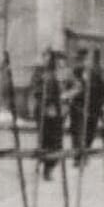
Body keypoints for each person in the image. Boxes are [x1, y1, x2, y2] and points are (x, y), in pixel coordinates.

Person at [30, 48, 72, 180]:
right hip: (44, 112)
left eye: (62, 62)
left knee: (56, 143)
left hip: (59, 113)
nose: (60, 64)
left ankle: (47, 166)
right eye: (57, 61)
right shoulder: (41, 73)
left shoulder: (65, 73)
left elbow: (77, 87)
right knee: (46, 141)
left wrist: (66, 95)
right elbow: (35, 89)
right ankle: (45, 166)